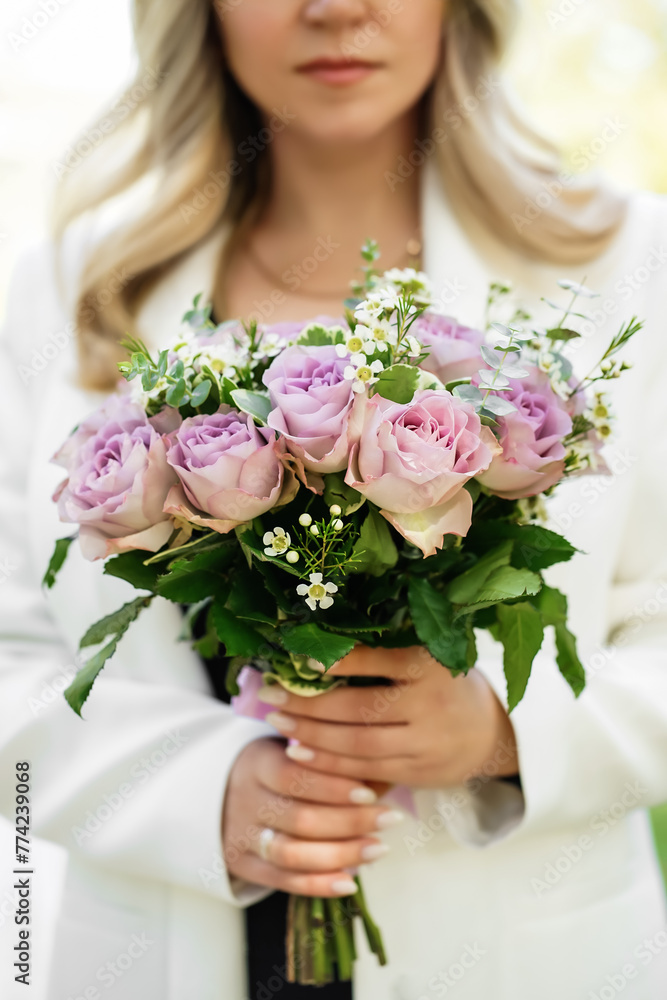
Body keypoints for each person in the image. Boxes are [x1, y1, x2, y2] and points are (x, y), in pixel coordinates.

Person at [1, 1, 667, 998]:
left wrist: (503, 732)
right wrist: (189, 793)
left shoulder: (627, 267)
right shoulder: (65, 291)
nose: (337, 9)